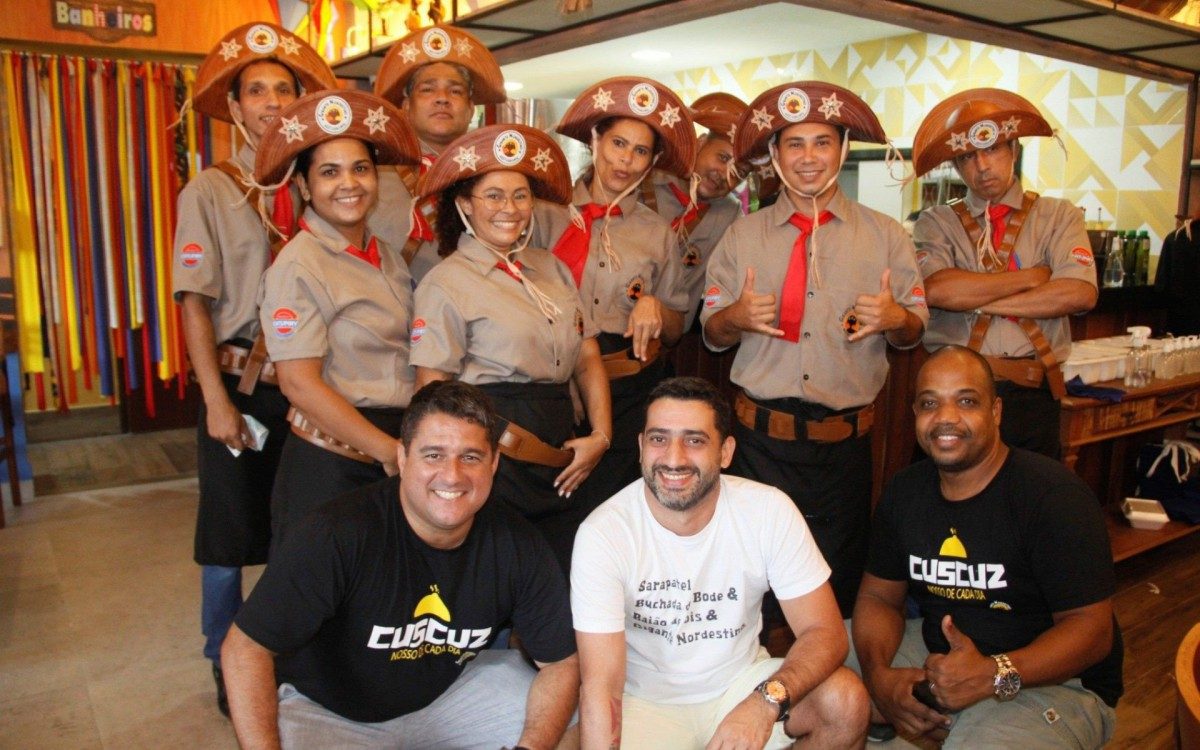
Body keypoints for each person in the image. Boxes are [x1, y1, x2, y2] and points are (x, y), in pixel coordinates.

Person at [221, 380, 579, 749]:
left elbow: (561, 664)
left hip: (448, 697)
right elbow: (245, 648)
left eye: (470, 457)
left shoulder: (518, 544)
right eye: (433, 455)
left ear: (494, 464)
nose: (453, 475)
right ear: (403, 458)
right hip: (330, 712)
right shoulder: (336, 534)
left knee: (568, 716)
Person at [701, 81, 928, 618]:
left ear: (843, 149)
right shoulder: (743, 235)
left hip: (843, 448)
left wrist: (897, 319)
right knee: (750, 584)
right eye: (794, 144)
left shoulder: (886, 235)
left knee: (834, 590)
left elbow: (914, 330)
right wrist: (734, 317)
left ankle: (833, 695)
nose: (808, 157)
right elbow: (712, 333)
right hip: (758, 443)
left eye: (821, 142)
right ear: (774, 155)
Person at [172, 21, 335, 716]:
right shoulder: (211, 189)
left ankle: (287, 645)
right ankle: (221, 653)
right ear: (235, 109)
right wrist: (214, 401)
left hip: (309, 387)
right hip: (238, 385)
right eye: (256, 91)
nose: (271, 102)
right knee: (229, 531)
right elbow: (194, 303)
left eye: (283, 89)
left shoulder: (316, 183)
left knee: (301, 523)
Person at [572, 376, 868, 749]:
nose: (674, 458)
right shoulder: (603, 533)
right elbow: (601, 686)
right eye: (658, 439)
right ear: (641, 447)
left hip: (741, 685)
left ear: (726, 452)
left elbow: (825, 632)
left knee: (845, 700)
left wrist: (764, 702)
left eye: (694, 440)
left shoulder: (768, 510)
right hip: (646, 703)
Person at [851, 346, 1122, 748]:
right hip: (938, 655)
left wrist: (992, 674)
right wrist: (878, 678)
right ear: (915, 416)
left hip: (1054, 682)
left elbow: (1093, 630)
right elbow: (878, 596)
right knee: (816, 675)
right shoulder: (905, 491)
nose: (946, 417)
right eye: (930, 403)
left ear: (995, 412)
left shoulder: (1052, 495)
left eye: (966, 401)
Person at [411, 124, 612, 573]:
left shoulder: (551, 268)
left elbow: (587, 356)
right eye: (494, 196)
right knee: (494, 579)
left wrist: (600, 436)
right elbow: (430, 394)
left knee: (561, 580)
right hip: (495, 453)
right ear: (465, 204)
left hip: (566, 449)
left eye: (521, 196)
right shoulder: (445, 282)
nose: (510, 209)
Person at [254, 89, 422, 548]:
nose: (349, 183)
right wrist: (389, 452)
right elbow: (298, 384)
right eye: (329, 172)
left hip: (389, 452)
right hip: (333, 465)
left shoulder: (384, 255)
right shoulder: (298, 265)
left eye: (360, 169)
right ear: (305, 186)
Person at [533, 76, 695, 511]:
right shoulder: (544, 214)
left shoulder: (657, 231)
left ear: (652, 161)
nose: (626, 160)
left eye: (640, 151)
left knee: (621, 513)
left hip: (630, 393)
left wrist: (655, 306)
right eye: (618, 143)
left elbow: (679, 327)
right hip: (554, 383)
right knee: (557, 509)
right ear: (595, 139)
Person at [911, 88, 1098, 458]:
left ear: (1013, 150)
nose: (982, 167)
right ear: (955, 166)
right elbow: (939, 291)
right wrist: (1031, 277)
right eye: (967, 156)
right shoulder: (936, 222)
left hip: (1032, 395)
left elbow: (1078, 293)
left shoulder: (1059, 216)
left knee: (1028, 507)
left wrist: (979, 299)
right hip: (954, 394)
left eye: (992, 149)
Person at [372, 24, 507, 284]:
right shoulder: (373, 178)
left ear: (470, 109)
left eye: (455, 91)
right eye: (427, 89)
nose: (442, 98)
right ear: (406, 106)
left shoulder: (496, 178)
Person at [642, 92, 748, 332]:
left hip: (660, 347)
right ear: (700, 144)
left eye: (739, 172)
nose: (725, 174)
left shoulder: (729, 216)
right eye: (723, 158)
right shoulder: (642, 182)